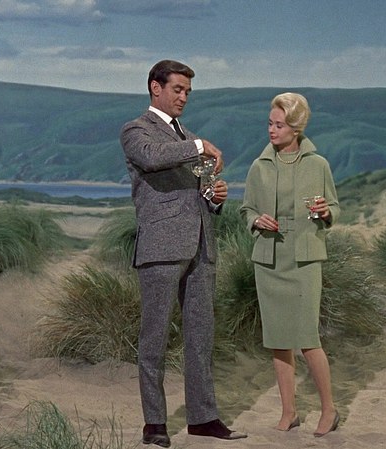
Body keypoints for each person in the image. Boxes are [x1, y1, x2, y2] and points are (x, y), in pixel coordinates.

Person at [120, 59, 247, 447]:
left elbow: (201, 191)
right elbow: (151, 157)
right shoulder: (136, 130)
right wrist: (197, 147)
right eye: (178, 89)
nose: (184, 98)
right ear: (155, 88)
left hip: (201, 246)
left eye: (188, 92)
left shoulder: (189, 137)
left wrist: (215, 196)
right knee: (154, 338)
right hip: (161, 247)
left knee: (201, 338)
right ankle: (155, 423)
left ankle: (203, 418)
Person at [240, 92, 341, 437]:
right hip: (269, 260)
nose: (272, 130)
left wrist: (326, 212)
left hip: (305, 259)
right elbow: (246, 210)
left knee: (308, 338)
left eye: (279, 125)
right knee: (278, 339)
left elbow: (335, 207)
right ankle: (289, 412)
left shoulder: (318, 165)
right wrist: (256, 221)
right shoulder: (259, 166)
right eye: (270, 123)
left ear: (296, 128)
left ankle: (329, 410)